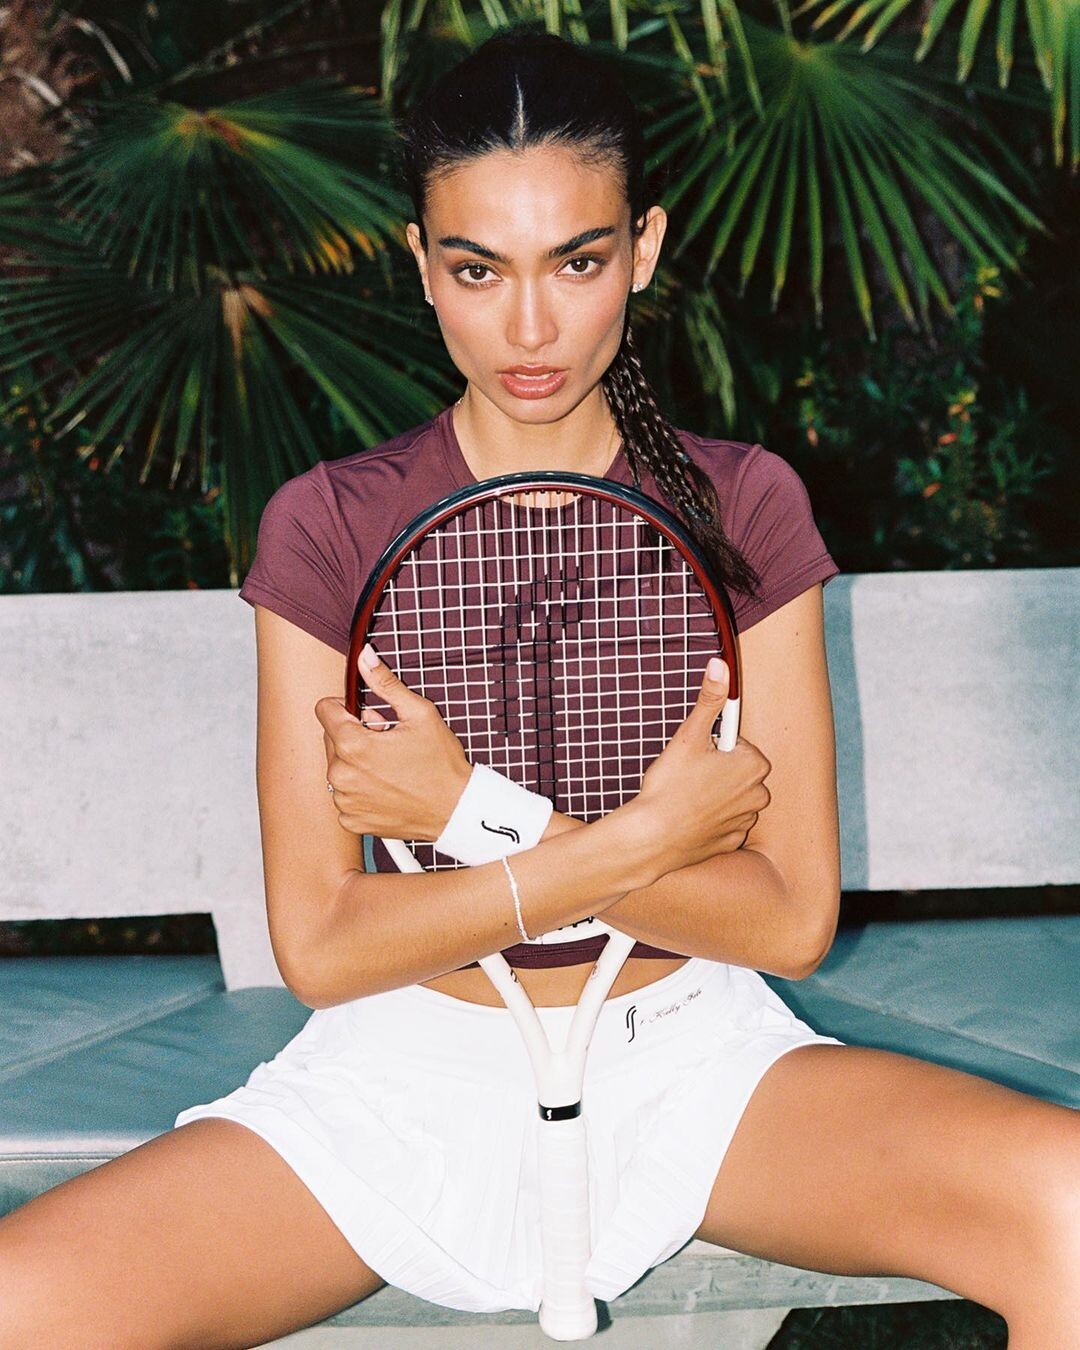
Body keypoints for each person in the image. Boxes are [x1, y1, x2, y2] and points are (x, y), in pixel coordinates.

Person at [2, 28, 1077, 1350]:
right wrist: (639, 842)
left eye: (577, 261)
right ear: (420, 263)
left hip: (693, 1062)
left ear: (645, 248)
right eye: (478, 268)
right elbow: (325, 946)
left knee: (1071, 1208)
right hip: (399, 1080)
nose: (529, 327)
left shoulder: (743, 504)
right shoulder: (328, 524)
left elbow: (790, 919)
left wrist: (467, 811)